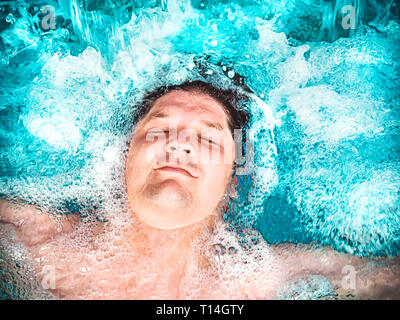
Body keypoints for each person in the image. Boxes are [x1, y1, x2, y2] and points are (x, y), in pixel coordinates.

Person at [1, 80, 399, 299]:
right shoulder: (29, 242)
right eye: (159, 130)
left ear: (233, 181)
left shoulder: (274, 278)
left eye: (208, 140)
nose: (180, 144)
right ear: (123, 157)